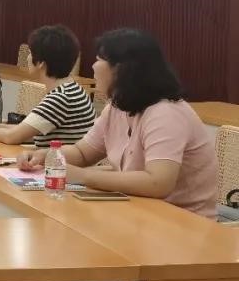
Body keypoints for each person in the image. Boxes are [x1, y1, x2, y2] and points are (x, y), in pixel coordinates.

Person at [18, 28, 217, 217]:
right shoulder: (117, 106)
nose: (93, 66)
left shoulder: (165, 112)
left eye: (98, 60)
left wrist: (82, 176)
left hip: (182, 222)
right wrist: (46, 155)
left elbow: (158, 182)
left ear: (121, 69)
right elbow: (82, 153)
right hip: (137, 212)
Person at [0, 25, 95, 146]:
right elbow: (24, 130)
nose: (27, 58)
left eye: (30, 53)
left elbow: (12, 137)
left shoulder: (60, 98)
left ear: (41, 63)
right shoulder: (71, 89)